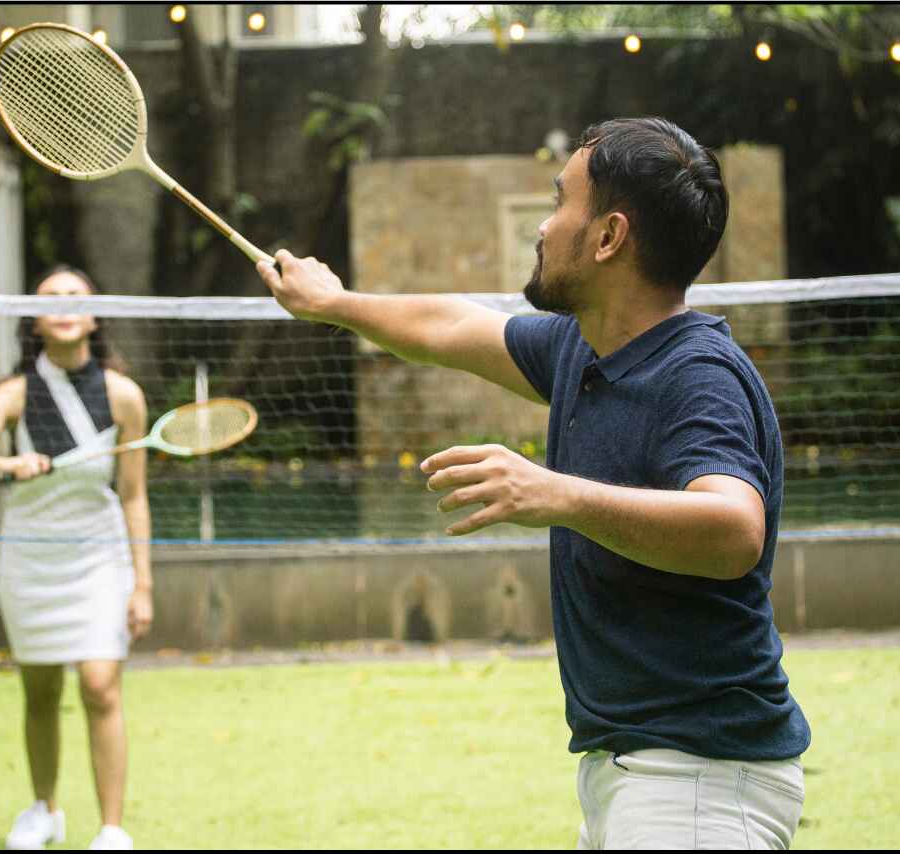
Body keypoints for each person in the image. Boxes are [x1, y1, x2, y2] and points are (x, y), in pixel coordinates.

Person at [256, 117, 811, 849]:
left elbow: (734, 529)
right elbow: (451, 327)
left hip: (699, 778)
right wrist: (334, 303)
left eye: (560, 202)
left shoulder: (695, 377)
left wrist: (556, 494)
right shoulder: (585, 348)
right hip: (640, 769)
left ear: (609, 237)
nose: (544, 227)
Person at [0, 266, 152, 851]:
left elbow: (134, 496)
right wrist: (4, 466)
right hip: (29, 559)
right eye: (50, 299)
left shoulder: (123, 396)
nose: (63, 306)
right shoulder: (9, 395)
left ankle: (112, 829)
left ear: (95, 315)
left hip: (99, 555)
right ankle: (45, 811)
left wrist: (143, 586)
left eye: (76, 297)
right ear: (33, 319)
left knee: (99, 684)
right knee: (39, 691)